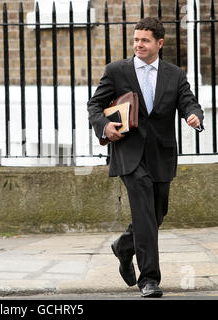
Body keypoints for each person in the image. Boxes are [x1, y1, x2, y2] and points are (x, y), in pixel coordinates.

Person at [87, 17, 204, 298]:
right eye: (136, 39)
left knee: (156, 214)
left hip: (161, 154)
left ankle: (124, 247)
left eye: (145, 40)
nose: (138, 44)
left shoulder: (174, 74)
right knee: (143, 213)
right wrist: (104, 126)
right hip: (130, 152)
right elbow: (95, 105)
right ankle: (149, 279)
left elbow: (187, 100)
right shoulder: (117, 71)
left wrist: (194, 116)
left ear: (159, 44)